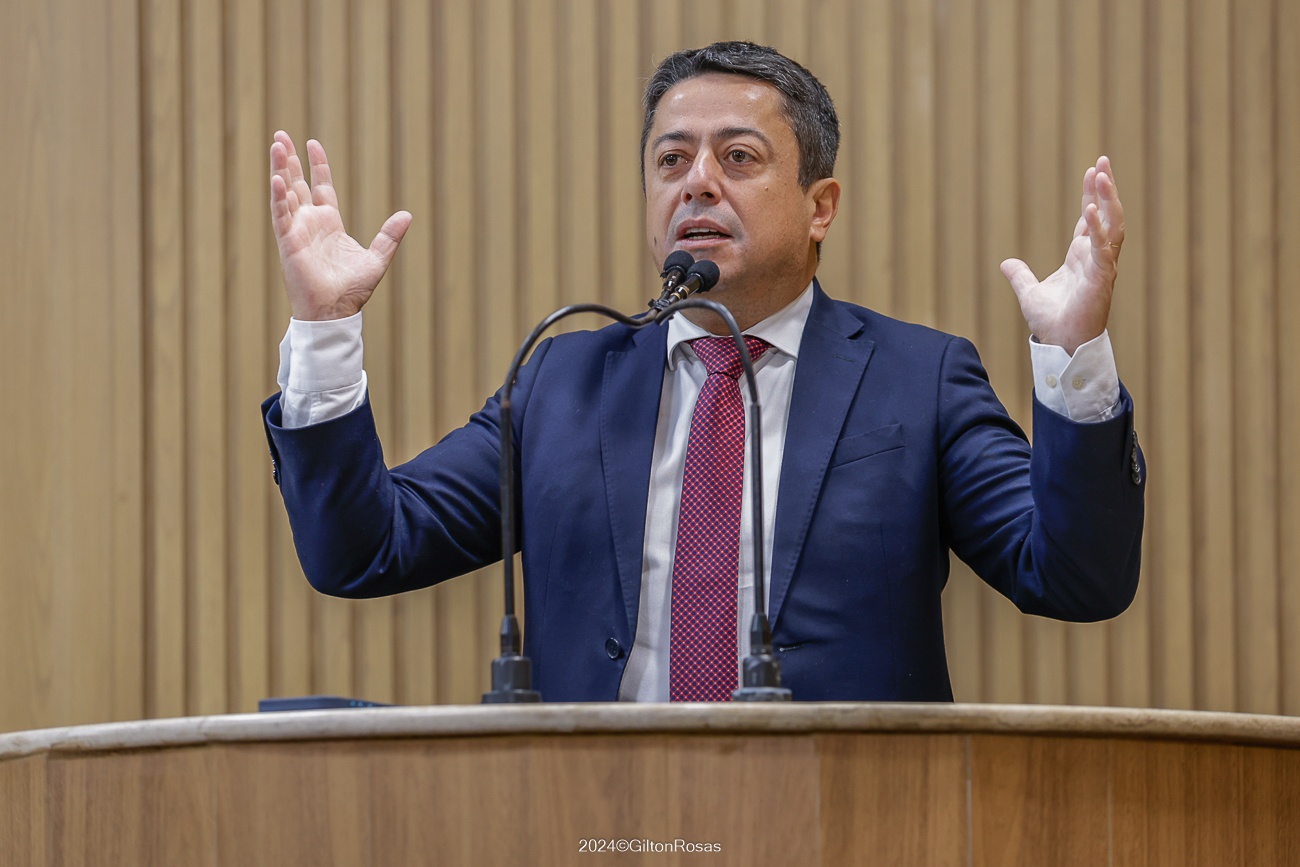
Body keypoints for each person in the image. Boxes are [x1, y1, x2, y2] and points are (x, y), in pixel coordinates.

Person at [262, 42, 1143, 702]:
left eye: (740, 157)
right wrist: (324, 328)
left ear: (820, 205)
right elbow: (363, 549)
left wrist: (1074, 358)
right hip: (601, 824)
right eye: (671, 160)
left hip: (846, 821)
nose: (697, 183)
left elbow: (1075, 579)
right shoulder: (560, 383)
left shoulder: (919, 379)